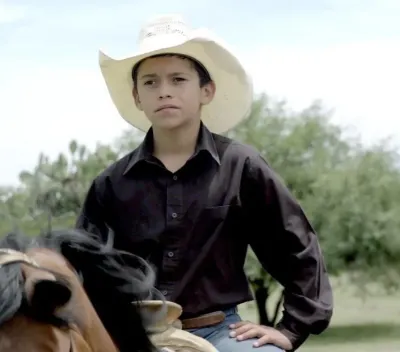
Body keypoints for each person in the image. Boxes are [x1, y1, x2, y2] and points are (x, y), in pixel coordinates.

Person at [76, 14, 333, 352]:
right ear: (137, 97)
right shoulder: (110, 184)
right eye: (150, 83)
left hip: (221, 334)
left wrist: (291, 329)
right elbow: (82, 268)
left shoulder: (242, 167)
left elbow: (297, 247)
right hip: (131, 335)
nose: (164, 91)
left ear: (206, 91)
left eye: (178, 79)